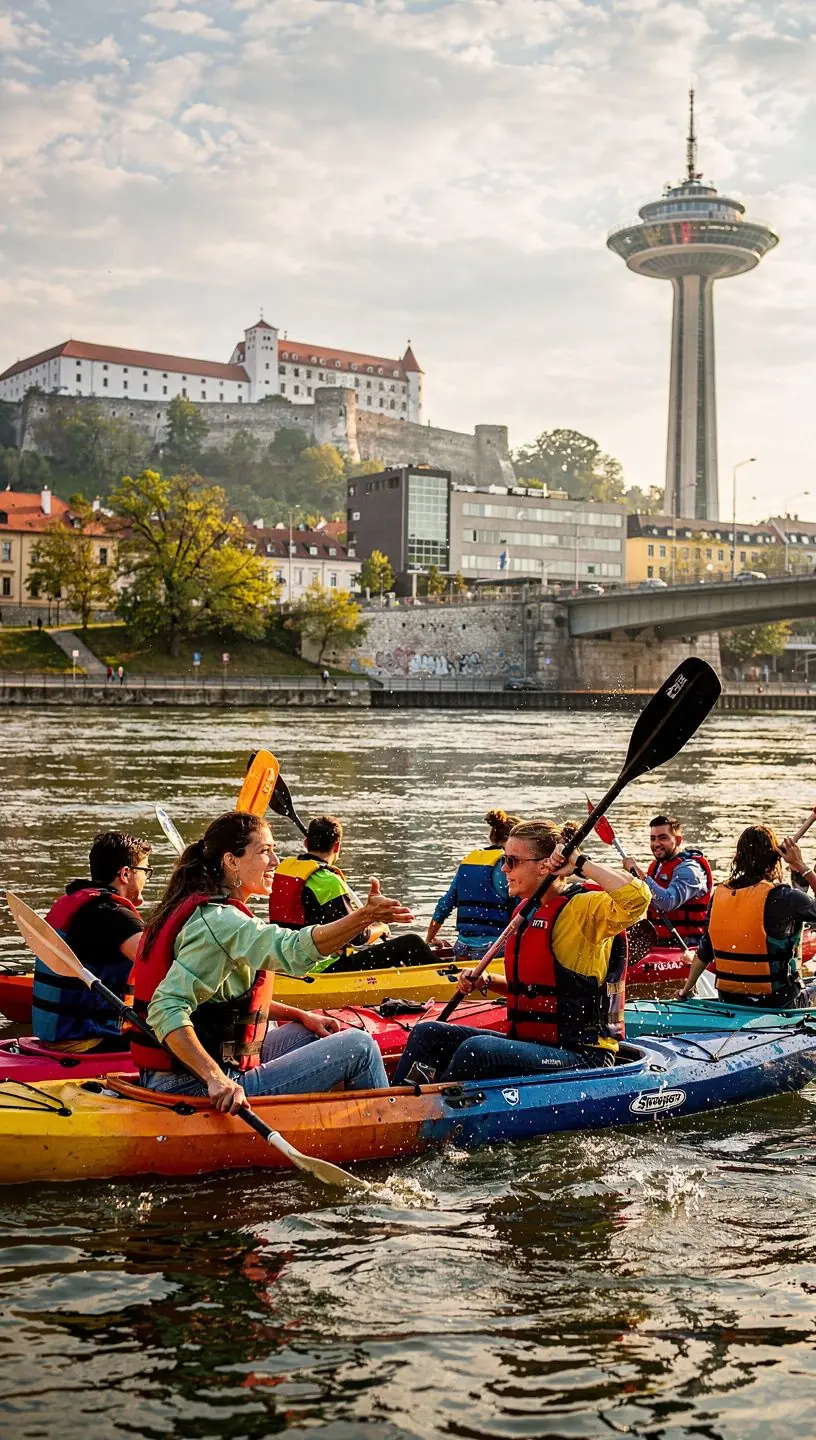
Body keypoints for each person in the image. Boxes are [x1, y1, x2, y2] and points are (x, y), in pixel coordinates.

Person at [131, 811, 415, 1112]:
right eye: (265, 851)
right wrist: (216, 1079)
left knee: (313, 1032)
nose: (275, 861)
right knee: (360, 1047)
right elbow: (164, 1009)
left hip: (194, 1067)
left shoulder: (202, 910)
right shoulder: (222, 922)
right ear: (231, 862)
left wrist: (299, 1014)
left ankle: (327, 1117)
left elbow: (218, 1001)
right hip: (193, 1082)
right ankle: (383, 1127)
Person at [392, 819, 651, 1085]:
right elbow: (534, 990)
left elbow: (639, 898)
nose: (504, 868)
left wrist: (580, 864)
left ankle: (432, 1113)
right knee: (428, 1032)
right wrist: (487, 981)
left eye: (512, 861)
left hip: (583, 1054)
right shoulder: (525, 910)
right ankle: (395, 1105)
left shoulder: (583, 909)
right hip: (534, 1044)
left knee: (478, 1050)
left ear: (543, 866)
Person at [32, 831, 152, 1051]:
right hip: (87, 1041)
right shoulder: (114, 915)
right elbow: (159, 964)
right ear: (126, 874)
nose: (147, 879)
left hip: (55, 1037)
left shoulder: (74, 903)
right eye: (146, 871)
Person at [269, 814, 435, 972]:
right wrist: (380, 928)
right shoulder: (327, 881)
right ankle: (452, 978)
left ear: (306, 843)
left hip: (287, 961)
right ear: (337, 846)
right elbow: (358, 938)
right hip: (323, 968)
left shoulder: (283, 871)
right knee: (411, 943)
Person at [678, 825, 816, 1008]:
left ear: (738, 858)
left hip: (729, 1000)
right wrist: (800, 865)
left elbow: (705, 950)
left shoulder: (720, 895)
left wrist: (686, 990)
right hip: (778, 1003)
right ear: (776, 859)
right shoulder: (784, 897)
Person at [426, 808, 521, 960]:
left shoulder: (469, 861)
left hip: (463, 948)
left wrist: (430, 939)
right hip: (495, 949)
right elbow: (524, 910)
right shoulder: (508, 865)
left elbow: (445, 905)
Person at [622, 814, 712, 946]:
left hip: (687, 944)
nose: (656, 844)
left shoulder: (690, 870)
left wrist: (640, 875)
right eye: (653, 839)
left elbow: (667, 903)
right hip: (659, 941)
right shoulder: (656, 867)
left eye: (663, 838)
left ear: (678, 840)